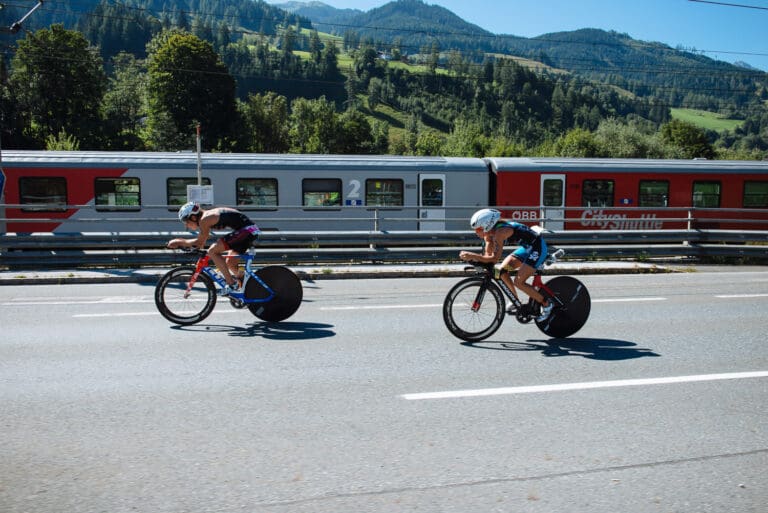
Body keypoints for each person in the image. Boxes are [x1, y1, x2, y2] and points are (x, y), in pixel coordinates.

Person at [459, 208, 554, 321]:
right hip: (526, 249)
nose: (476, 232)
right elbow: (487, 257)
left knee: (519, 282)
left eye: (478, 229)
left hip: (537, 248)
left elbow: (494, 259)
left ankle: (547, 304)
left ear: (488, 225)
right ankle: (515, 301)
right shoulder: (488, 235)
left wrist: (473, 256)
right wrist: (475, 260)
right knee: (502, 271)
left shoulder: (501, 232)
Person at [167, 202, 260, 295]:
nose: (186, 225)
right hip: (250, 230)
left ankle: (232, 285)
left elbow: (199, 241)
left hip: (247, 231)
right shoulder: (206, 216)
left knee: (212, 251)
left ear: (193, 217)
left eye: (186, 221)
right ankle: (248, 285)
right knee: (230, 263)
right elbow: (201, 243)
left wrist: (178, 242)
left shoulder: (204, 219)